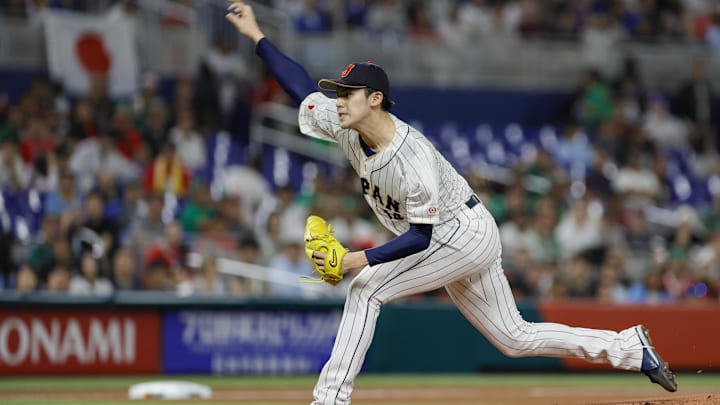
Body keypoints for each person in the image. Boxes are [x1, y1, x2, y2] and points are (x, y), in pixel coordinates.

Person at [225, 2, 677, 403]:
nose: (339, 101)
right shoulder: (344, 121)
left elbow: (420, 238)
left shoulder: (411, 157)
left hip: (458, 234)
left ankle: (329, 400)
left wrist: (354, 260)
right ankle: (629, 348)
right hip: (453, 234)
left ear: (375, 99)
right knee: (514, 338)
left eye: (348, 94)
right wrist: (258, 36)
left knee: (366, 288)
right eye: (339, 92)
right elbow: (299, 87)